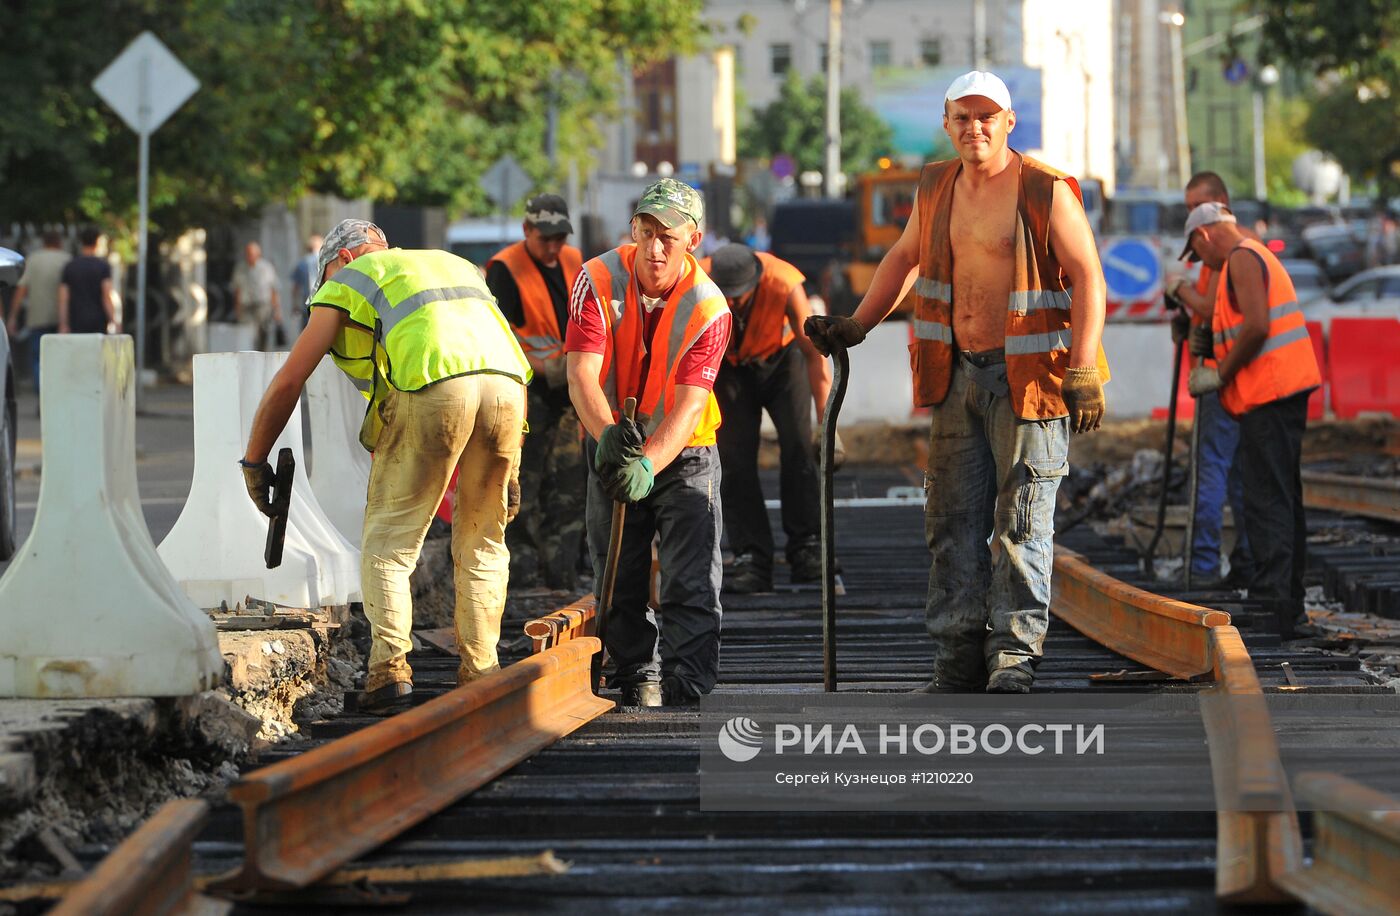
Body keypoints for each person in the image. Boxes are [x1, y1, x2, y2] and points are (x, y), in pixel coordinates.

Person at [805, 70, 1108, 694]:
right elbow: (904, 258)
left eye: (986, 117)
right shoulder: (936, 187)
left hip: (1028, 383)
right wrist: (858, 323)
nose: (975, 128)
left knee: (1021, 523)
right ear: (948, 125)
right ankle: (958, 658)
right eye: (963, 118)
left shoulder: (1044, 190)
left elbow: (1089, 278)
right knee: (951, 523)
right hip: (956, 376)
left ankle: (1014, 659)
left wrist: (1081, 368)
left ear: (1008, 123)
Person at [239, 219, 530, 714]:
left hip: (433, 385)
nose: (327, 288)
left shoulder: (352, 278)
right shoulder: (452, 266)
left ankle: (389, 671)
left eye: (325, 275)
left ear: (344, 259)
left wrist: (254, 461)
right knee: (483, 542)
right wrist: (514, 471)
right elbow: (489, 353)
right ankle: (482, 674)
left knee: (388, 545)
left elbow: (290, 381)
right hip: (509, 393)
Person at [565, 178, 732, 707]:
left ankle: (687, 682)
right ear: (632, 228)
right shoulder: (596, 279)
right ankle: (637, 671)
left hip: (686, 455)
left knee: (690, 578)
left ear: (693, 240)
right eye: (646, 231)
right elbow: (582, 375)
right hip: (612, 442)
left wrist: (650, 464)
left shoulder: (710, 308)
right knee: (618, 572)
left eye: (669, 237)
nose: (655, 249)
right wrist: (608, 438)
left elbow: (688, 406)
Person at [1182, 202, 1321, 629]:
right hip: (1276, 394)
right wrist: (1211, 345)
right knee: (1280, 498)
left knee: (1266, 502)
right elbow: (1237, 326)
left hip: (1271, 394)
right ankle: (1286, 602)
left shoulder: (1242, 257)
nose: (1201, 263)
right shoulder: (1248, 258)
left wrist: (1220, 374)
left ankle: (1273, 603)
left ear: (1203, 236)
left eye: (1196, 253)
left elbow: (1258, 326)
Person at [701, 243, 831, 593]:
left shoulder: (784, 283)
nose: (731, 303)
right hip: (730, 370)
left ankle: (807, 547)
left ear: (755, 283)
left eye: (738, 298)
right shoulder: (697, 279)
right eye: (725, 296)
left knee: (799, 450)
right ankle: (751, 556)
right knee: (734, 460)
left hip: (782, 362)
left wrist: (827, 422)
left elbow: (814, 354)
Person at [485, 194, 588, 591]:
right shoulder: (505, 269)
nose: (552, 246)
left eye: (559, 237)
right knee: (522, 482)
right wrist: (545, 367)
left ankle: (562, 572)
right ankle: (523, 575)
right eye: (545, 237)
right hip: (526, 392)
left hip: (566, 392)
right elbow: (502, 334)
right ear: (526, 230)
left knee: (567, 483)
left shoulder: (574, 261)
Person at [1165, 172, 1254, 588]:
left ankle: (1201, 567)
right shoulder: (1237, 248)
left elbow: (1211, 307)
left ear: (1217, 202)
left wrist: (1180, 290)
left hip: (1224, 374)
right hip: (1235, 373)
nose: (1190, 219)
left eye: (1195, 207)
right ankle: (1248, 561)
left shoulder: (1229, 251)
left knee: (1212, 470)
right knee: (1238, 471)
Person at [6, 230, 70, 393]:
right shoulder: (67, 259)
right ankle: (58, 393)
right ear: (59, 242)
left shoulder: (33, 260)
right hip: (63, 317)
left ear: (43, 242)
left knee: (38, 358)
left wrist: (12, 316)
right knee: (61, 358)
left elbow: (21, 289)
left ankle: (42, 395)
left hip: (37, 317)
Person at [59, 227, 119, 335]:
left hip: (76, 319)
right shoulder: (102, 266)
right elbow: (106, 295)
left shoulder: (70, 266)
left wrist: (63, 323)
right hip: (98, 320)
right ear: (97, 242)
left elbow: (63, 297)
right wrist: (114, 320)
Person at [232, 241, 281, 350]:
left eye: (253, 254)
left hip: (263, 306)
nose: (250, 257)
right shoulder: (240, 268)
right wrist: (237, 308)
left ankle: (262, 353)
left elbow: (274, 289)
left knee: (263, 332)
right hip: (246, 307)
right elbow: (237, 289)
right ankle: (249, 354)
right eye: (248, 254)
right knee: (248, 333)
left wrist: (277, 310)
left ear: (258, 254)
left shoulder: (266, 268)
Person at [288, 233, 323, 328]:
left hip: (306, 302)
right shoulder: (324, 260)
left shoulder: (301, 263)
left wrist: (294, 305)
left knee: (306, 329)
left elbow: (295, 288)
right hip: (323, 301)